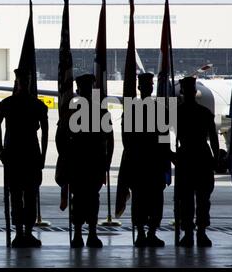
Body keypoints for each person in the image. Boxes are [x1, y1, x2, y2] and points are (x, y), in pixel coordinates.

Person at [0, 69, 48, 248]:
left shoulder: (13, 104)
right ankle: (20, 233)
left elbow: (46, 132)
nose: (25, 84)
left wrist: (43, 156)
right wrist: (1, 149)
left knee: (27, 195)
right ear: (18, 82)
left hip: (23, 153)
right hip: (22, 153)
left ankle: (25, 233)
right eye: (23, 80)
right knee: (18, 194)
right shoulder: (29, 104)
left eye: (26, 80)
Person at [58, 73, 113, 248]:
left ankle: (91, 233)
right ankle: (78, 234)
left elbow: (109, 140)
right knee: (79, 199)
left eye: (89, 88)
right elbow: (60, 138)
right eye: (84, 89)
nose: (87, 92)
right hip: (78, 162)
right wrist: (66, 158)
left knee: (92, 199)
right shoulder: (71, 113)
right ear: (78, 91)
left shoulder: (101, 112)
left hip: (94, 161)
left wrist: (107, 163)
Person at [121, 72, 167, 248]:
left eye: (149, 86)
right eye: (146, 86)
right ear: (140, 88)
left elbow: (163, 137)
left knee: (152, 201)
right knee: (142, 200)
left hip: (147, 161)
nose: (148, 89)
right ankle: (142, 233)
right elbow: (127, 139)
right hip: (143, 161)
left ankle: (149, 233)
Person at [175, 75, 219, 247]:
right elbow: (214, 139)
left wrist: (172, 154)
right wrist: (215, 157)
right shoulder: (205, 113)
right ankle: (200, 232)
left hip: (187, 156)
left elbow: (166, 137)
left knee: (189, 199)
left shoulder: (177, 112)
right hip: (200, 155)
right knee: (200, 199)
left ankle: (191, 233)